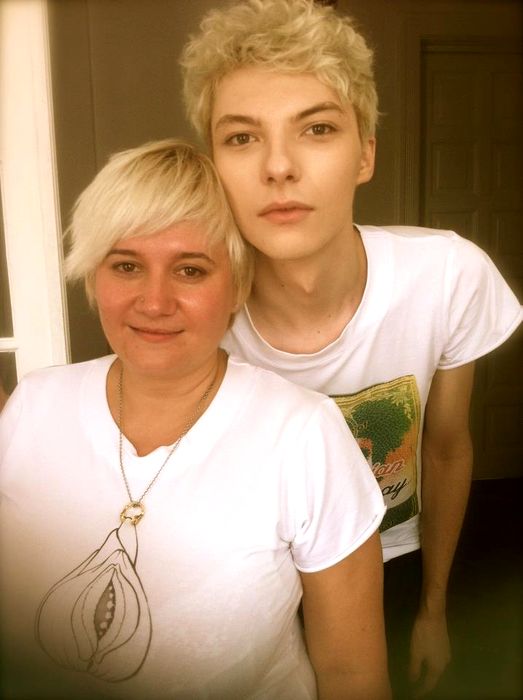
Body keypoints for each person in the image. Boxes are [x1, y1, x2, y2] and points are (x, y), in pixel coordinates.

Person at [180, 1, 523, 697]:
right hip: (266, 577)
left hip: (399, 557)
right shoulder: (193, 316)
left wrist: (433, 608)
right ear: (213, 164)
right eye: (242, 138)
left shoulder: (447, 276)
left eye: (317, 129)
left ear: (365, 153)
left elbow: (445, 448)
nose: (279, 166)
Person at [0, 139, 390, 700]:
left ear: (237, 285)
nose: (154, 302)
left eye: (190, 270)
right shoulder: (34, 405)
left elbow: (352, 674)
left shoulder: (303, 435)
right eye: (126, 266)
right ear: (92, 277)